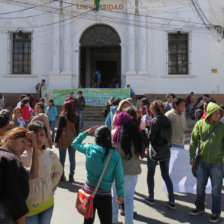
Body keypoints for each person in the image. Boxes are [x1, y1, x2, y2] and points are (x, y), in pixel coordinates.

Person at [72, 125, 124, 224]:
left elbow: (74, 143)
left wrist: (87, 131)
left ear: (96, 138)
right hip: (105, 195)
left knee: (88, 221)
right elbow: (119, 177)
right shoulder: (115, 155)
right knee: (106, 221)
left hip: (89, 192)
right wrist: (120, 194)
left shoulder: (89, 148)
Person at [21, 121, 62, 224]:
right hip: (29, 208)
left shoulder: (51, 154)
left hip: (48, 205)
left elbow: (58, 171)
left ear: (46, 137)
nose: (39, 138)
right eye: (36, 135)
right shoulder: (22, 155)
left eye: (42, 135)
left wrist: (51, 184)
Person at [189, 102, 224, 223]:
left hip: (217, 163)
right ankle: (199, 207)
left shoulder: (222, 127)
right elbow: (193, 141)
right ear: (209, 113)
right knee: (200, 186)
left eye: (219, 113)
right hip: (202, 162)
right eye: (215, 113)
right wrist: (192, 155)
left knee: (216, 189)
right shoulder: (200, 124)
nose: (217, 115)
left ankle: (216, 213)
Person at [0, 127, 39, 224]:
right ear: (10, 138)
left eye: (27, 145)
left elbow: (33, 174)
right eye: (23, 142)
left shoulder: (6, 157)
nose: (24, 148)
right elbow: (15, 198)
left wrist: (35, 147)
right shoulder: (10, 160)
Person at [112, 111, 142, 224]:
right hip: (132, 170)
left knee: (115, 196)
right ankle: (129, 222)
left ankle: (113, 220)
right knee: (129, 198)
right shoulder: (137, 133)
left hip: (116, 170)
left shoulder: (114, 133)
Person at [144, 100, 175, 209]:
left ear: (153, 109)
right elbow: (170, 135)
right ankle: (172, 200)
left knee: (150, 173)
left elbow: (150, 137)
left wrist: (145, 133)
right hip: (165, 149)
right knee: (166, 175)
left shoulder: (154, 121)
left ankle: (151, 197)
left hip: (154, 150)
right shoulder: (167, 120)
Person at [55, 101, 79, 183]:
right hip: (73, 140)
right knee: (72, 159)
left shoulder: (63, 117)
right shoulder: (76, 117)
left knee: (62, 159)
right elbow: (77, 130)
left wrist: (56, 140)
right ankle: (71, 176)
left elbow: (59, 130)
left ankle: (62, 176)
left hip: (63, 139)